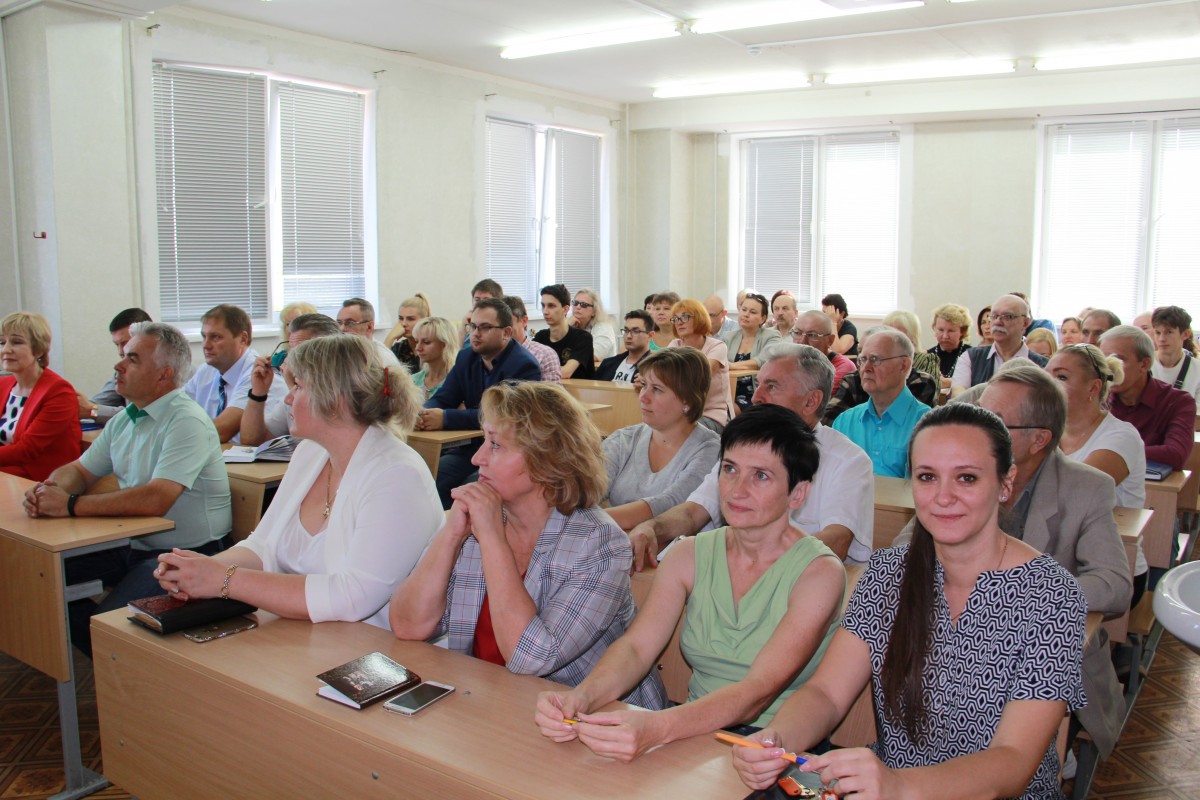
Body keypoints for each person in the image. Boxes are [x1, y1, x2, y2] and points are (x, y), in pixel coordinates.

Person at [732, 402, 1087, 799]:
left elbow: (1014, 760)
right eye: (927, 477)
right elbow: (827, 693)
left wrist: (901, 786)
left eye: (967, 478)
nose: (943, 496)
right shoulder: (888, 573)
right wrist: (780, 738)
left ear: (1006, 483)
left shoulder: (1050, 594)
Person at [536, 405, 845, 762]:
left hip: (774, 748)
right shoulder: (690, 554)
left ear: (798, 493)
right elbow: (637, 647)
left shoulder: (820, 573)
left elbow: (755, 693)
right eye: (729, 469)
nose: (737, 490)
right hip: (694, 732)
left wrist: (657, 728)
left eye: (761, 476)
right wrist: (582, 697)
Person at [391, 382, 664, 708]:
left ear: (545, 459)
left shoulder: (600, 545)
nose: (477, 458)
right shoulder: (478, 519)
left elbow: (531, 658)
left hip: (592, 721)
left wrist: (492, 538)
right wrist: (450, 536)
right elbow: (408, 625)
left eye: (495, 445)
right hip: (493, 703)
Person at [155, 335, 442, 630]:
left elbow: (352, 597)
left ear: (334, 400)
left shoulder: (396, 475)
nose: (287, 398)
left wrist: (223, 580)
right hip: (305, 634)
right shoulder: (311, 453)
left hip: (372, 648)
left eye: (298, 386)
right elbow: (263, 547)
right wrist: (199, 569)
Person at [24, 322, 231, 656]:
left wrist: (70, 505)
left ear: (163, 375)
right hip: (130, 545)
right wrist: (49, 489)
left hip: (187, 554)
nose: (118, 365)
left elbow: (156, 498)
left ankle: (125, 679)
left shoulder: (186, 420)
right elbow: (79, 470)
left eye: (132, 359)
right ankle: (113, 669)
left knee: (108, 627)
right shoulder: (126, 418)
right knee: (33, 578)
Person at [628, 343, 874, 570]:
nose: (756, 398)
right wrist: (653, 527)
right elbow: (694, 512)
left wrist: (752, 560)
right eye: (758, 384)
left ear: (811, 401)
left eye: (772, 387)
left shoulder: (849, 461)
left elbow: (835, 541)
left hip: (802, 585)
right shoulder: (744, 448)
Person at [418, 298, 542, 508]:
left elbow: (501, 418)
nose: (475, 333)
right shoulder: (466, 357)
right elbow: (445, 397)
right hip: (470, 447)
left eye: (484, 327)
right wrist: (424, 412)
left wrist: (446, 418)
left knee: (469, 491)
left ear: (506, 333)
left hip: (507, 451)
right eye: (472, 326)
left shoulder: (524, 366)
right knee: (430, 480)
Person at [1050, 343, 1148, 605]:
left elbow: (1076, 490)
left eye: (1060, 377)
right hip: (1057, 556)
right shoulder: (1046, 432)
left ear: (1093, 388)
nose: (1048, 385)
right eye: (1045, 376)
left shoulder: (1121, 435)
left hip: (1108, 568)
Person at [600, 348, 720, 531]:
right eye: (644, 385)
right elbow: (588, 489)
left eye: (656, 389)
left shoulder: (710, 449)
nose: (643, 397)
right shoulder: (624, 439)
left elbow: (671, 504)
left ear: (687, 400)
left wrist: (589, 520)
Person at [831, 329, 931, 478]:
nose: (866, 368)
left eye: (876, 359)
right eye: (863, 360)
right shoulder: (845, 421)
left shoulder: (928, 425)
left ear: (903, 365)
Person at [184, 304, 286, 443]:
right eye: (204, 336)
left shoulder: (258, 374)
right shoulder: (206, 370)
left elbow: (221, 431)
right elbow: (176, 411)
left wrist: (177, 431)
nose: (206, 345)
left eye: (215, 337)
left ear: (243, 339)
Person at [1101, 325, 1196, 470]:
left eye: (1117, 359)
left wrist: (1107, 452)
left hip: (1153, 489)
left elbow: (1176, 455)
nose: (1109, 368)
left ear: (1144, 364)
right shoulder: (1097, 398)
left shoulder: (1178, 401)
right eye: (1103, 361)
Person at [0, 312, 81, 481]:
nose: (6, 349)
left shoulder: (59, 391)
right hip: (9, 471)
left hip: (42, 478)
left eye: (16, 342)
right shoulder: (3, 385)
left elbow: (26, 450)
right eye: (2, 342)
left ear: (38, 350)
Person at [239, 313, 341, 446]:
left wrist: (292, 385)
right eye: (291, 352)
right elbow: (251, 440)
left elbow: (317, 443)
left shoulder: (343, 392)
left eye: (299, 352)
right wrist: (258, 392)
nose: (291, 360)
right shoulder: (291, 392)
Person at [951, 294, 1048, 396]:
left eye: (1008, 316)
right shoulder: (970, 357)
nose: (998, 322)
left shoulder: (1043, 366)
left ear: (1025, 323)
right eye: (994, 316)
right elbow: (958, 395)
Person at [75, 307, 152, 422]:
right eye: (117, 345)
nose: (120, 352)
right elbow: (100, 402)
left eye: (125, 343)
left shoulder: (163, 371)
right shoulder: (123, 369)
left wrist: (92, 410)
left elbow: (141, 416)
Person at [668, 297, 732, 431]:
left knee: (679, 431)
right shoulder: (675, 345)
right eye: (675, 319)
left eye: (685, 317)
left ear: (699, 318)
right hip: (682, 414)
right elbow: (660, 373)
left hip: (713, 415)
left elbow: (701, 376)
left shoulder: (718, 346)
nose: (679, 322)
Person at [722, 291, 781, 410]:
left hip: (757, 395)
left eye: (752, 312)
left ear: (762, 318)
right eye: (744, 310)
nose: (746, 315)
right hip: (728, 393)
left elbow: (764, 360)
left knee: (726, 410)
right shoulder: (729, 337)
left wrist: (733, 365)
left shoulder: (772, 336)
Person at [535, 283, 595, 379]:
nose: (545, 311)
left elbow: (566, 373)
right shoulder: (540, 337)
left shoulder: (582, 338)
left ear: (565, 309)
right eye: (543, 306)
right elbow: (529, 368)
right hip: (549, 390)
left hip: (579, 392)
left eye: (551, 306)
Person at [502, 295, 561, 383]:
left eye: (507, 323)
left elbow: (551, 396)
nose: (502, 329)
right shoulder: (490, 355)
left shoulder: (544, 355)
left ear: (524, 321)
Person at [790, 310, 855, 388]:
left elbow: (817, 398)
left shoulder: (842, 367)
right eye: (797, 333)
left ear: (830, 340)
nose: (802, 341)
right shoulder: (787, 362)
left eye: (812, 335)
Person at [1150, 305, 1199, 401]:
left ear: (1185, 334)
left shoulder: (1197, 370)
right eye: (1158, 333)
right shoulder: (1142, 365)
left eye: (1169, 332)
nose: (1162, 339)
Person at [410, 316, 460, 401]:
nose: (418, 348)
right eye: (416, 341)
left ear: (444, 344)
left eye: (426, 342)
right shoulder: (412, 381)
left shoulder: (459, 381)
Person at [596, 310, 654, 383]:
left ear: (650, 336)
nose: (629, 336)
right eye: (626, 330)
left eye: (635, 331)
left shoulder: (655, 367)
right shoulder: (608, 363)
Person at [881, 310, 940, 379]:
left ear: (912, 336)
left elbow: (931, 388)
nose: (892, 337)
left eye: (898, 334)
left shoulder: (925, 360)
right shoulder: (876, 359)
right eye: (888, 332)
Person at [383, 293, 431, 373]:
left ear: (424, 321)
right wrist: (390, 338)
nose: (403, 324)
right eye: (401, 318)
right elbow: (379, 371)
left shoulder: (433, 346)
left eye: (410, 319)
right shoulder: (399, 348)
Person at [927, 302, 971, 389]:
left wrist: (950, 382)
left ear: (962, 331)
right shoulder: (926, 356)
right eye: (941, 330)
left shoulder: (972, 355)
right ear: (934, 328)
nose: (945, 336)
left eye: (951, 331)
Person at [571, 288, 617, 360]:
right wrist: (566, 326)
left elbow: (594, 355)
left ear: (594, 311)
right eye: (575, 303)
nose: (578, 307)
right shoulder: (571, 325)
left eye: (583, 304)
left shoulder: (604, 328)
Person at [272, 301, 319, 369]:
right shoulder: (279, 358)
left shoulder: (320, 359)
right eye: (288, 324)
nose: (290, 329)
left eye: (295, 323)